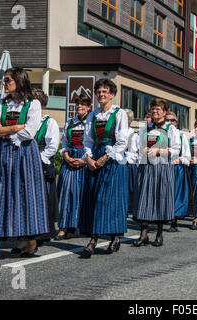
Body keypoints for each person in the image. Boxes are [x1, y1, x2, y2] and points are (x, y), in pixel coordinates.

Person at [0, 67, 49, 263]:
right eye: (4, 80)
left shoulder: (33, 104)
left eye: (7, 80)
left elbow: (30, 132)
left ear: (19, 81)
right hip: (2, 154)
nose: (4, 83)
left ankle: (31, 241)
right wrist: (14, 127)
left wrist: (3, 130)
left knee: (25, 196)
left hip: (25, 155)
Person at [79, 79, 129, 257]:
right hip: (96, 154)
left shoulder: (119, 113)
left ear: (112, 95)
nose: (101, 94)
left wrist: (105, 158)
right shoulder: (93, 116)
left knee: (110, 199)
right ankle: (104, 236)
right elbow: (88, 140)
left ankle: (98, 239)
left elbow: (122, 141)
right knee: (95, 198)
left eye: (105, 91)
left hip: (113, 158)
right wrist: (89, 157)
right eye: (99, 91)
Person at [11, 88, 60, 254]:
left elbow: (52, 146)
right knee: (24, 201)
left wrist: (37, 159)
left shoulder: (49, 122)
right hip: (24, 163)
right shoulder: (24, 121)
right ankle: (24, 239)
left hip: (41, 163)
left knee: (41, 202)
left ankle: (37, 238)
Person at [132, 98, 180, 246]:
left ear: (164, 112)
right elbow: (137, 145)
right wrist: (143, 150)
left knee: (161, 198)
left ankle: (159, 233)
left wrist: (159, 150)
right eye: (153, 108)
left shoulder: (171, 129)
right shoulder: (145, 128)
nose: (155, 111)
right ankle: (143, 234)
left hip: (162, 167)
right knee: (144, 198)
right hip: (147, 167)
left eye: (158, 109)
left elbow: (176, 150)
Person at [55, 94, 91, 240]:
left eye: (83, 104)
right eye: (78, 104)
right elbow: (65, 143)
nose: (79, 107)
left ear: (89, 107)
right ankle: (63, 227)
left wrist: (84, 160)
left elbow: (93, 143)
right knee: (66, 193)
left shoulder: (91, 122)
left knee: (83, 194)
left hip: (86, 160)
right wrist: (66, 156)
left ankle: (82, 226)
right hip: (70, 160)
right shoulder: (70, 122)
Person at [167, 112, 191, 233]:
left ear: (176, 123)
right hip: (164, 167)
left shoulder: (182, 137)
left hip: (177, 169)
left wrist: (179, 160)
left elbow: (187, 156)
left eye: (172, 120)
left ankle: (174, 221)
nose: (169, 123)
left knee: (175, 195)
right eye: (167, 120)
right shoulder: (161, 134)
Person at [124, 109, 139, 215]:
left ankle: (128, 209)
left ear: (131, 120)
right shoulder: (117, 132)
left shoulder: (134, 135)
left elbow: (136, 153)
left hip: (129, 164)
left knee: (129, 189)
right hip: (118, 162)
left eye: (127, 118)